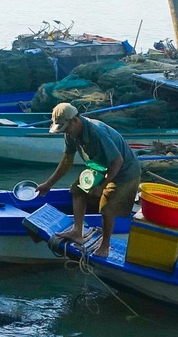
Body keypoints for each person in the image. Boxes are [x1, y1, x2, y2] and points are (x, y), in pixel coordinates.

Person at [29, 102, 143, 258]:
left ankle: (105, 245)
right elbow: (66, 161)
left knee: (107, 206)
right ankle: (77, 231)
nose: (66, 133)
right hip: (101, 167)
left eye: (66, 128)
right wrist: (49, 184)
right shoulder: (71, 134)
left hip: (124, 171)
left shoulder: (97, 132)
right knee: (77, 190)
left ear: (75, 121)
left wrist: (103, 186)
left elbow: (118, 161)